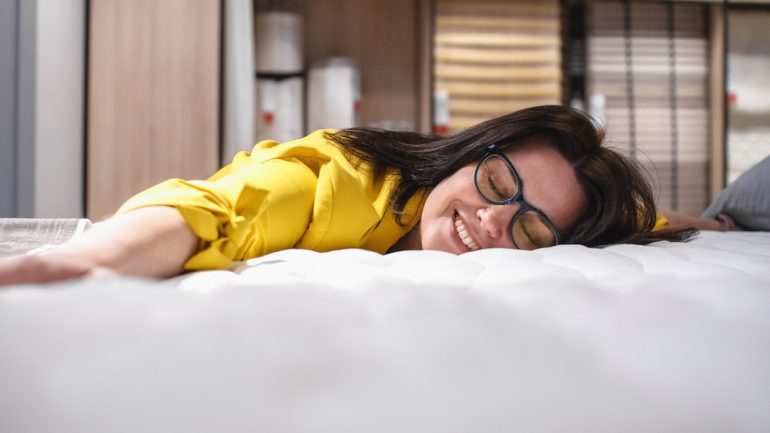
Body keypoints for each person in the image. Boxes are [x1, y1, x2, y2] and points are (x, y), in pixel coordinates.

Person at [0, 105, 733, 286]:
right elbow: (209, 210)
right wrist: (89, 259)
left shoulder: (563, 217)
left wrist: (711, 220)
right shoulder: (337, 182)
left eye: (531, 230)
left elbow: (637, 220)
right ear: (471, 152)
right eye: (496, 185)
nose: (490, 219)